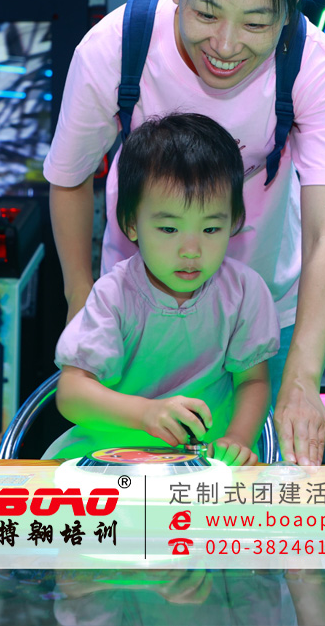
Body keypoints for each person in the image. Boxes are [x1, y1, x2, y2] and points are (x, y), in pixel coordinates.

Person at [44, 0, 325, 465]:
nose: (226, 46)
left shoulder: (315, 66)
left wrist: (303, 378)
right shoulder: (116, 49)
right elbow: (69, 178)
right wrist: (82, 303)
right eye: (206, 14)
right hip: (138, 309)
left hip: (265, 311)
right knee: (130, 487)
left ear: (291, 5)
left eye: (257, 22)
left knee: (255, 487)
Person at [46, 114, 277, 463]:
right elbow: (72, 393)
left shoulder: (245, 291)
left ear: (234, 222)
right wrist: (146, 414)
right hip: (110, 456)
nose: (191, 250)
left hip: (206, 461)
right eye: (169, 229)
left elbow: (252, 382)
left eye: (210, 229)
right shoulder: (114, 295)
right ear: (131, 224)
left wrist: (238, 439)